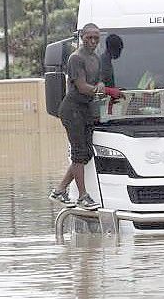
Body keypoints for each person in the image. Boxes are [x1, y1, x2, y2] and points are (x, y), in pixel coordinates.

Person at [48, 23, 121, 210]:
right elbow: (81, 86)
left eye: (96, 37)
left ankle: (59, 190)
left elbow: (98, 81)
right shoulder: (76, 58)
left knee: (86, 153)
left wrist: (103, 86)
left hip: (86, 109)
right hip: (72, 109)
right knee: (79, 153)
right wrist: (102, 91)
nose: (93, 41)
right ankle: (82, 196)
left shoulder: (96, 58)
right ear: (82, 37)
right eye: (89, 37)